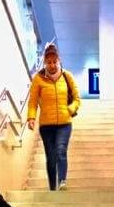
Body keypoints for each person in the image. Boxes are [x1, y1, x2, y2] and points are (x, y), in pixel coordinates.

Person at [26, 42, 80, 191]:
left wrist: (70, 109)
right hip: (46, 125)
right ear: (45, 62)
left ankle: (62, 181)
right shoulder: (38, 79)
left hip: (64, 123)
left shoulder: (67, 76)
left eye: (54, 61)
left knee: (61, 151)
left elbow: (77, 98)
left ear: (59, 60)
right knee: (51, 157)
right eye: (49, 62)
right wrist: (31, 118)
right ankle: (52, 188)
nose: (52, 65)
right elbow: (32, 101)